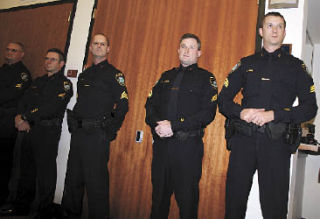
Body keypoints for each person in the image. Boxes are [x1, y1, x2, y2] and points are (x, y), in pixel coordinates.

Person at [218, 12, 318, 219]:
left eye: (279, 26)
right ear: (261, 31)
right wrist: (241, 112)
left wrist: (275, 114)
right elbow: (223, 100)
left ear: (284, 32)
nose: (274, 30)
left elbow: (310, 108)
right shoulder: (245, 64)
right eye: (270, 25)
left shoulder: (296, 67)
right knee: (234, 203)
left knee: (275, 208)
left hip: (276, 144)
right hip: (243, 141)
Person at [145, 33, 218, 219]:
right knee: (158, 200)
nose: (186, 50)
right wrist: (157, 124)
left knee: (187, 202)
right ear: (178, 50)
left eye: (191, 47)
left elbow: (207, 114)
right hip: (162, 147)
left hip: (187, 149)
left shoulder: (206, 79)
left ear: (199, 53)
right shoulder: (166, 76)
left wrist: (174, 126)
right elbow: (150, 105)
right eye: (183, 46)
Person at [61, 33, 129, 219]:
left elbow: (123, 105)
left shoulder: (115, 75)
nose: (99, 46)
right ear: (91, 48)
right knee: (73, 179)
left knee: (96, 184)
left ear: (108, 49)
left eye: (103, 44)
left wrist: (110, 129)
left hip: (98, 135)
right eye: (96, 43)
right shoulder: (84, 75)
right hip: (79, 133)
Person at [0, 48, 73, 218]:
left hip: (47, 132)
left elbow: (51, 107)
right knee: (26, 171)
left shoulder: (64, 84)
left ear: (61, 64)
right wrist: (20, 117)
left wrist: (26, 116)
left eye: (53, 59)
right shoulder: (37, 82)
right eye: (47, 58)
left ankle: (43, 210)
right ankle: (21, 207)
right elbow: (23, 100)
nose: (48, 61)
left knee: (45, 172)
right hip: (29, 129)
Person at [0, 42, 31, 205]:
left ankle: (3, 196)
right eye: (8, 49)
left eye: (14, 50)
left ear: (22, 54)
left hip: (7, 119)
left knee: (4, 159)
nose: (10, 52)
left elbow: (11, 94)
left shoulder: (23, 74)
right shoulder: (2, 69)